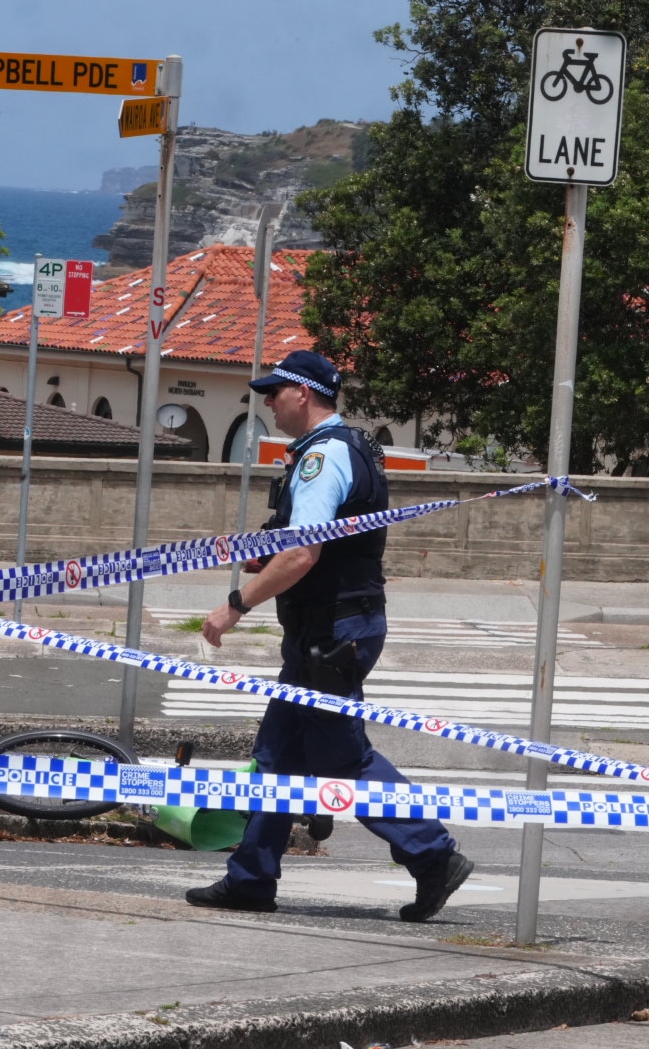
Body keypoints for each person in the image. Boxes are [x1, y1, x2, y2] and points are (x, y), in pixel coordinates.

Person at [187, 349, 473, 920]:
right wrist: (256, 553)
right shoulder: (346, 448)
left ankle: (433, 853)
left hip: (333, 629)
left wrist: (235, 606)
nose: (267, 402)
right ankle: (250, 879)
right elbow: (306, 542)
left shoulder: (322, 458)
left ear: (305, 394)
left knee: (339, 757)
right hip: (330, 626)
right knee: (278, 759)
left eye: (275, 392)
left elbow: (303, 552)